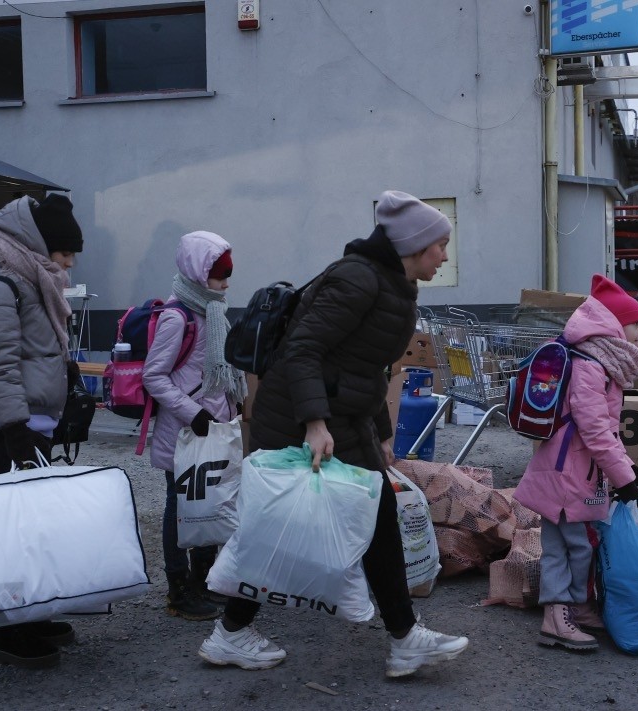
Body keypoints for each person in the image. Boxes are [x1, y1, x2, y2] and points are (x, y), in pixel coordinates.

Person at [198, 190, 469, 678]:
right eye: (441, 245)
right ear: (414, 243)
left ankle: (404, 638)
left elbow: (367, 367)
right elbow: (302, 351)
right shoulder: (358, 280)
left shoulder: (391, 282)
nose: (445, 256)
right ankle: (231, 633)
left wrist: (382, 430)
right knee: (283, 528)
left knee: (376, 515)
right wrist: (315, 424)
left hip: (342, 416)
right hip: (301, 417)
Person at [0, 193, 84, 669]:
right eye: (64, 252)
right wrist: (14, 428)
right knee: (12, 534)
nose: (69, 262)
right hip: (11, 427)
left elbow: (36, 346)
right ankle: (10, 636)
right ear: (40, 244)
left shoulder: (29, 275)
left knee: (34, 530)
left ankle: (32, 617)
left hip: (34, 421)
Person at [513, 274, 638, 651]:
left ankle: (575, 606)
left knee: (574, 544)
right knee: (573, 545)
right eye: (636, 322)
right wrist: (623, 477)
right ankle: (557, 617)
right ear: (614, 323)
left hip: (570, 468)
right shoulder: (592, 365)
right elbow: (594, 430)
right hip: (567, 473)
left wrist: (628, 469)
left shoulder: (599, 360)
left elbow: (603, 431)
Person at [143, 231, 246, 622]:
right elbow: (154, 376)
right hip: (186, 434)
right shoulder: (177, 316)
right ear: (199, 275)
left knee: (212, 507)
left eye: (227, 275)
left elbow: (220, 375)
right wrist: (192, 412)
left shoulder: (213, 310)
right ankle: (178, 590)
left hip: (214, 430)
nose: (225, 284)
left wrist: (232, 410)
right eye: (220, 276)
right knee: (179, 509)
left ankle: (202, 581)